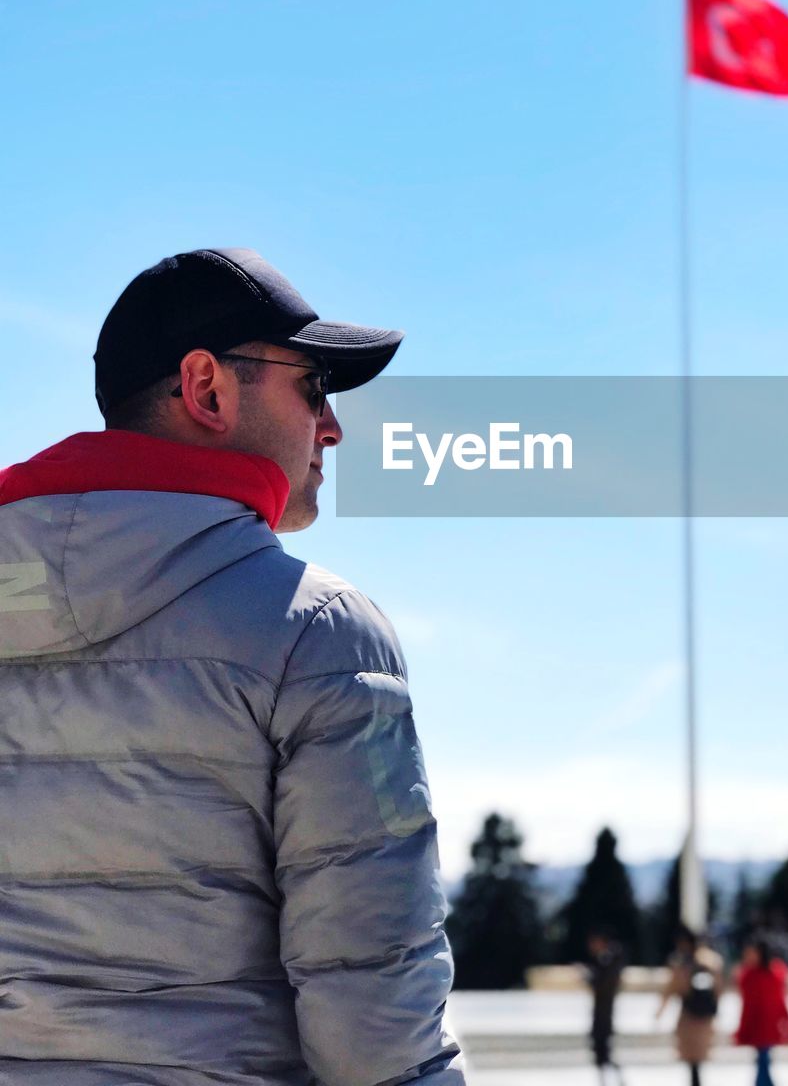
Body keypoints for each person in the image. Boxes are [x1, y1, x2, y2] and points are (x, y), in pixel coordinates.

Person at [0, 248, 465, 1085]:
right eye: (314, 386)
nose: (333, 427)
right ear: (207, 387)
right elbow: (375, 1025)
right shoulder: (319, 635)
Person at [656, 924, 724, 1086]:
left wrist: (660, 1011)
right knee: (696, 1060)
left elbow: (672, 988)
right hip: (704, 1018)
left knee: (692, 1060)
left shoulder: (681, 963)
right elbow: (719, 989)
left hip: (689, 1017)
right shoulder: (712, 961)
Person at [734, 935, 788, 1086]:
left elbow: (781, 1003)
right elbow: (746, 1006)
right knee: (763, 1062)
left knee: (763, 1063)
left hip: (768, 1025)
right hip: (756, 1025)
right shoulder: (749, 975)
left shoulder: (774, 973)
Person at [585, 929, 626, 1083]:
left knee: (604, 1054)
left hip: (604, 1014)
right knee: (601, 1054)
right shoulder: (605, 960)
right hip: (602, 1013)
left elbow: (603, 986)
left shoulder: (609, 961)